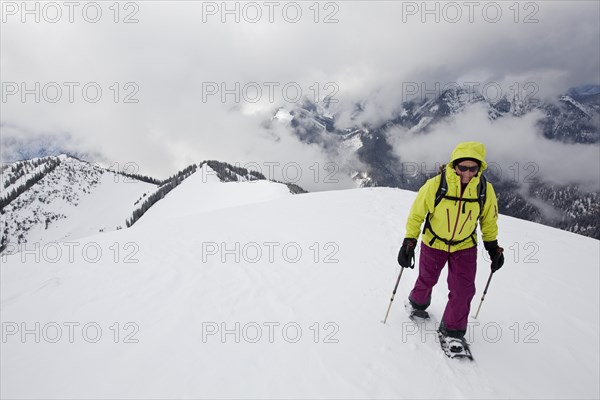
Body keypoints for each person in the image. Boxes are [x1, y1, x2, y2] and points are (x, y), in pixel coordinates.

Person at [397, 141, 504, 351]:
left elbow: (488, 220)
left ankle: (453, 331)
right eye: (462, 167)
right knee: (427, 279)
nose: (467, 173)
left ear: (479, 168)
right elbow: (417, 215)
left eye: (472, 168)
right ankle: (417, 303)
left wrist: (492, 247)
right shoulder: (435, 185)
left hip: (464, 246)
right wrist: (409, 241)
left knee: (463, 289)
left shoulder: (484, 190)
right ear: (454, 165)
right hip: (434, 242)